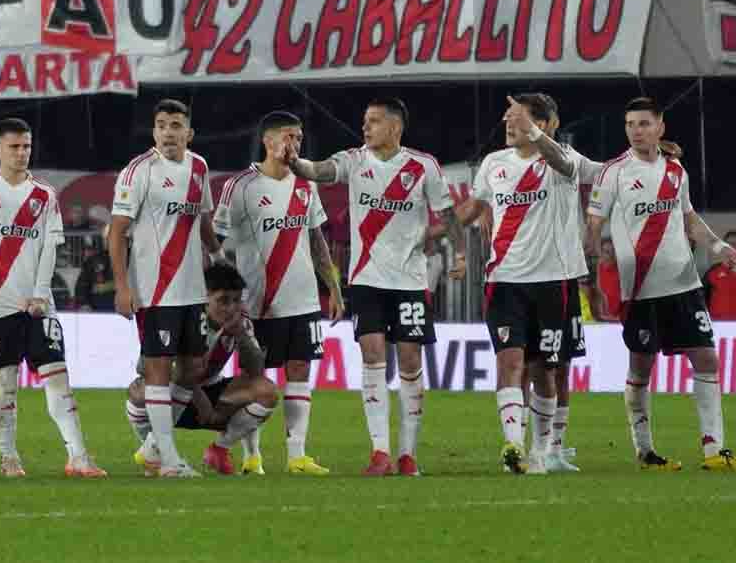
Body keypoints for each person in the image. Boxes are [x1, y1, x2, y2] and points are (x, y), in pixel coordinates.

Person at [286, 98, 466, 476]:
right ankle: (380, 452)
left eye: (374, 121)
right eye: (365, 121)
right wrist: (294, 162)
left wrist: (461, 254)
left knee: (411, 361)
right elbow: (319, 170)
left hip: (410, 281)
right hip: (366, 279)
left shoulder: (423, 166)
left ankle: (407, 453)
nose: (365, 127)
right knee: (372, 357)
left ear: (395, 127)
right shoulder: (354, 160)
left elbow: (448, 214)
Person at [587, 96, 736, 472]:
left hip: (683, 283)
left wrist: (718, 246)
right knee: (641, 368)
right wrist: (594, 273)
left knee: (707, 358)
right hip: (640, 290)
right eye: (630, 124)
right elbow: (594, 226)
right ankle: (646, 451)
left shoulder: (675, 169)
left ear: (660, 127)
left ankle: (714, 451)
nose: (636, 131)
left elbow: (688, 217)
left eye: (644, 123)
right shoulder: (613, 173)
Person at [0, 118, 106, 478]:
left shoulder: (44, 194)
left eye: (26, 146)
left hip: (38, 304)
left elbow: (50, 248)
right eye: (14, 146)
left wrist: (41, 293)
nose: (21, 153)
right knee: (5, 383)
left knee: (57, 377)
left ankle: (78, 456)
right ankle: (9, 456)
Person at [458, 94, 598, 475]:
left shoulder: (562, 158)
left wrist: (533, 132)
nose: (509, 124)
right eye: (507, 118)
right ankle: (514, 447)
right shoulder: (493, 163)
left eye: (517, 118)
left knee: (545, 371)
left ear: (543, 124)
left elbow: (565, 164)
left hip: (552, 281)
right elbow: (474, 208)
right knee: (510, 362)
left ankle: (543, 451)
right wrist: (442, 229)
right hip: (504, 279)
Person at [215, 110, 343, 477]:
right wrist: (224, 295)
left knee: (300, 370)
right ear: (268, 141)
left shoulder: (306, 185)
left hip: (303, 299)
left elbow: (317, 240)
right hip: (258, 302)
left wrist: (333, 288)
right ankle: (251, 456)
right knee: (255, 378)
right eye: (288, 136)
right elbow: (215, 241)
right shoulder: (241, 186)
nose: (295, 144)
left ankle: (297, 456)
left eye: (299, 138)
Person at [108, 99, 222, 479]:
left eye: (175, 126)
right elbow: (117, 232)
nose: (168, 133)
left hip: (193, 289)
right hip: (154, 290)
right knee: (158, 370)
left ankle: (154, 448)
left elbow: (202, 220)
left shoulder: (199, 167)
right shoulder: (138, 171)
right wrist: (122, 287)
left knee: (193, 369)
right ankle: (169, 461)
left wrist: (218, 255)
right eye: (161, 125)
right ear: (154, 131)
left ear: (189, 133)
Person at [125, 264, 276, 475]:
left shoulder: (241, 322)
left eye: (236, 300)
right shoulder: (182, 318)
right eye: (223, 300)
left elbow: (256, 370)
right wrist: (201, 401)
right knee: (139, 391)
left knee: (266, 391)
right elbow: (149, 369)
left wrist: (241, 335)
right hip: (174, 396)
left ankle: (219, 449)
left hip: (213, 395)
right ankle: (154, 449)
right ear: (204, 298)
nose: (231, 308)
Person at [74, 233, 116, 312]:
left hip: (117, 307)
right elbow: (82, 286)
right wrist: (84, 304)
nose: (87, 253)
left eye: (90, 249)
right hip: (95, 308)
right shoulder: (90, 263)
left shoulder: (123, 259)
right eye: (86, 249)